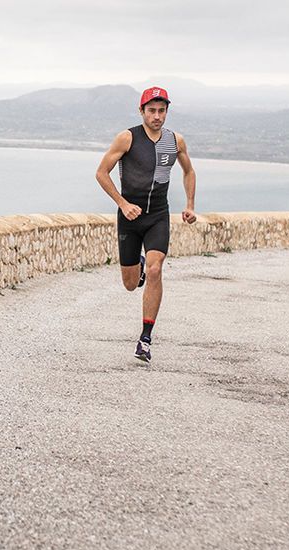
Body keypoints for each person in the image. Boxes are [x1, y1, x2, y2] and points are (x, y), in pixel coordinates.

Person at [95, 86, 197, 363]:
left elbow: (188, 171)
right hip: (129, 217)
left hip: (157, 215)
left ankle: (145, 338)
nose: (157, 116)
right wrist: (122, 203)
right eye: (151, 111)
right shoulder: (127, 138)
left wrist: (189, 205)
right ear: (142, 111)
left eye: (161, 111)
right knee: (130, 284)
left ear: (166, 112)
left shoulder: (175, 141)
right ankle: (136, 266)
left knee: (155, 269)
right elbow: (101, 173)